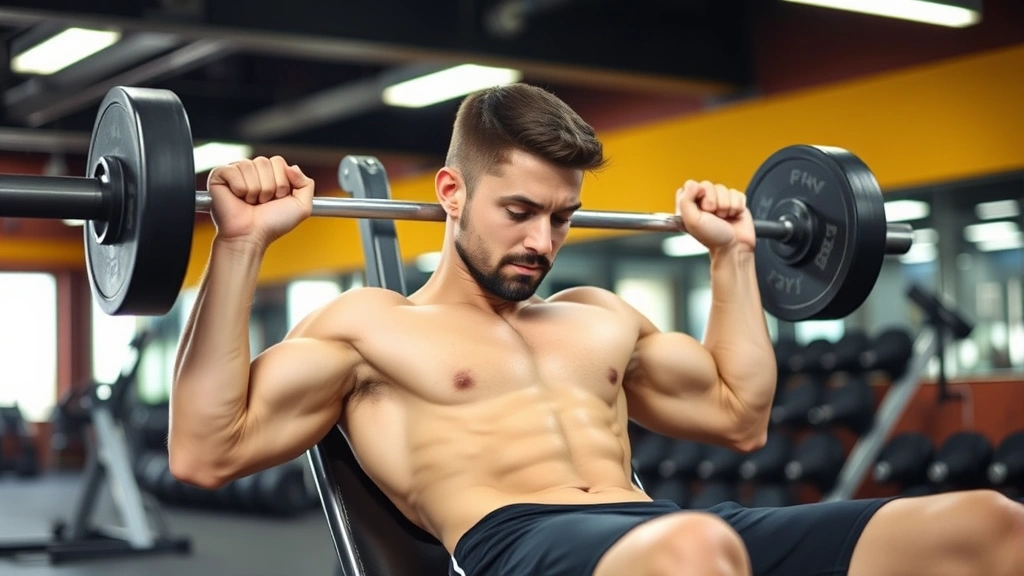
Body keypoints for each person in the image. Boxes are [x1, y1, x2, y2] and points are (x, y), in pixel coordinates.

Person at [169, 83, 1024, 576]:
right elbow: (204, 450)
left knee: (985, 524)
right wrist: (239, 247)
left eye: (563, 218)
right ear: (451, 193)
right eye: (518, 211)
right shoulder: (369, 327)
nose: (541, 242)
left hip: (660, 534)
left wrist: (735, 258)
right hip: (521, 543)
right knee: (694, 545)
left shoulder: (597, 317)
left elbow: (739, 415)